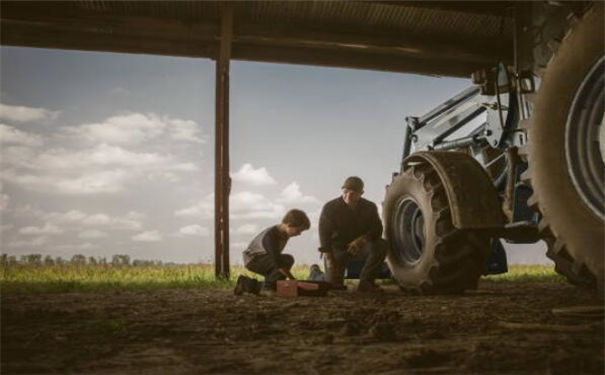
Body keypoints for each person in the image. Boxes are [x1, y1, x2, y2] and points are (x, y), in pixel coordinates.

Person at [318, 176, 387, 292]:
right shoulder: (330, 207)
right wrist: (329, 258)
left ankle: (366, 283)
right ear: (342, 190)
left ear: (361, 193)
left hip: (361, 247)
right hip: (337, 249)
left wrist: (362, 239)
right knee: (332, 286)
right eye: (345, 192)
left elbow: (377, 229)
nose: (348, 196)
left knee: (381, 245)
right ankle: (315, 272)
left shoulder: (370, 207)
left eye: (353, 193)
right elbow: (324, 234)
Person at [234, 209, 311, 295]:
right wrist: (292, 279)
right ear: (289, 225)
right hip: (253, 260)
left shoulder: (283, 233)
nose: (299, 234)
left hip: (264, 259)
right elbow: (278, 262)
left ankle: (246, 284)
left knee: (284, 265)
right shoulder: (271, 236)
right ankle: (267, 288)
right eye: (298, 231)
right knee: (285, 260)